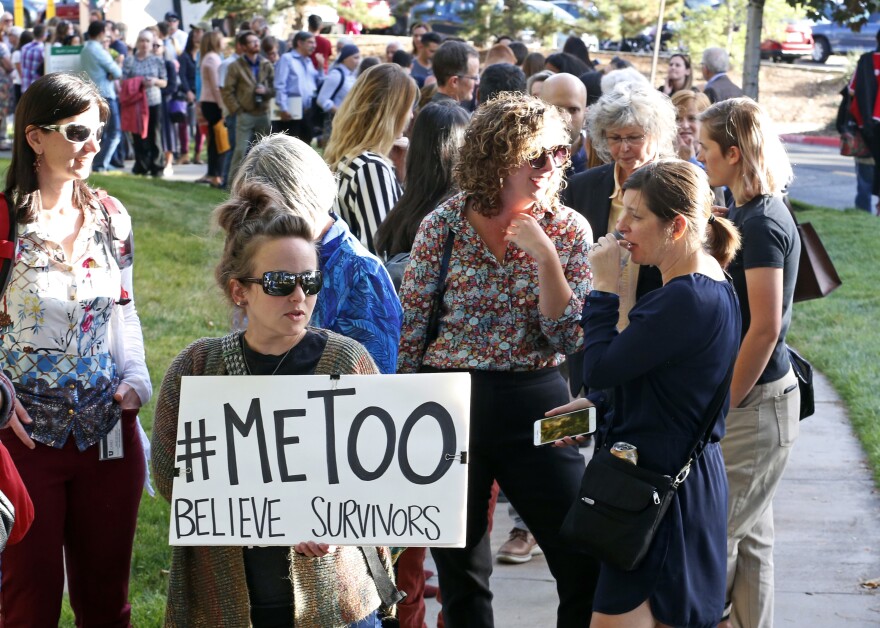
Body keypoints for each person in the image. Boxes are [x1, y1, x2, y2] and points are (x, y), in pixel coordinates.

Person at [151, 181, 395, 627]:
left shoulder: (348, 361)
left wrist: (334, 524)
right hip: (229, 601)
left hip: (335, 602)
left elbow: (380, 476)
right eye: (281, 282)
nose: (299, 296)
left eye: (310, 280)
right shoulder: (197, 368)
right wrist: (278, 520)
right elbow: (171, 478)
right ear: (240, 290)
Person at [397, 92, 599, 627]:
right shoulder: (444, 224)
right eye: (536, 156)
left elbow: (567, 333)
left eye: (559, 153)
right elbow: (413, 326)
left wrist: (546, 258)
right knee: (462, 572)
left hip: (536, 394)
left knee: (581, 557)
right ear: (497, 156)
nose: (551, 167)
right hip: (448, 401)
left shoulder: (568, 227)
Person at [552, 159, 742, 628]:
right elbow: (663, 385)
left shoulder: (685, 297)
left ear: (676, 225)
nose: (621, 226)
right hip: (667, 484)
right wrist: (594, 408)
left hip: (658, 495)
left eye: (636, 215)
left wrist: (602, 289)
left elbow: (600, 368)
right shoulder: (706, 284)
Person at [0, 72, 151, 626]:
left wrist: (136, 377)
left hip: (107, 436)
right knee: (27, 604)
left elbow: (123, 309)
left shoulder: (112, 218)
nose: (94, 144)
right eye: (78, 131)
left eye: (98, 130)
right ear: (35, 137)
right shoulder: (3, 220)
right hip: (20, 440)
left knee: (108, 603)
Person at [698, 97, 801, 628]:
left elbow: (765, 328)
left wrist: (724, 404)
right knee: (753, 535)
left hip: (757, 403)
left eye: (707, 149)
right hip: (760, 399)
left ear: (734, 153)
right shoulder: (746, 210)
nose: (700, 157)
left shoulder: (761, 222)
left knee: (720, 537)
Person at [233, 133, 403, 375]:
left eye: (274, 217)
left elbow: (375, 391)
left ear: (306, 202)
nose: (266, 231)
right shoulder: (262, 253)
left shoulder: (362, 275)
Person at [564, 81, 677, 335]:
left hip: (654, 333)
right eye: (615, 138)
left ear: (656, 134)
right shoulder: (581, 188)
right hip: (592, 331)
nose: (624, 148)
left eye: (634, 137)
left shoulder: (679, 186)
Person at [324, 63, 418, 254]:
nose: (411, 115)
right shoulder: (370, 168)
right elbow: (382, 253)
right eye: (408, 108)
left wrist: (400, 172)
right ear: (393, 113)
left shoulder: (348, 159)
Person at [222, 30, 275, 185]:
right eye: (252, 42)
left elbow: (275, 88)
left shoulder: (266, 64)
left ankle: (263, 184)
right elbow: (227, 91)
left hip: (263, 113)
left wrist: (266, 92)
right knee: (240, 150)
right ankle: (232, 186)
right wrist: (237, 110)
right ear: (243, 47)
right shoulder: (235, 66)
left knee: (265, 151)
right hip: (244, 114)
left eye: (257, 41)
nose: (256, 44)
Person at [123, 28, 168, 177]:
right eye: (142, 40)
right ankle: (141, 165)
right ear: (137, 42)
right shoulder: (130, 60)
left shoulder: (157, 60)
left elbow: (165, 82)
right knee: (138, 135)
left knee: (154, 134)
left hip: (153, 101)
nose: (144, 44)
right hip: (136, 102)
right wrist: (139, 82)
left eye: (147, 41)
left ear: (151, 44)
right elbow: (124, 80)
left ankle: (157, 166)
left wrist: (154, 81)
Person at [81, 20, 123, 172]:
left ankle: (101, 162)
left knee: (101, 133)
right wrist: (116, 65)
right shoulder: (98, 50)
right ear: (101, 33)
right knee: (115, 132)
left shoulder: (85, 48)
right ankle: (101, 164)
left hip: (92, 94)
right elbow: (117, 72)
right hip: (106, 94)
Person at [274, 30, 323, 143]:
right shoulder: (287, 58)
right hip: (290, 110)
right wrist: (283, 107)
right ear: (300, 43)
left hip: (307, 111)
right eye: (310, 42)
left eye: (314, 43)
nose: (314, 46)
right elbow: (280, 84)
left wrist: (320, 67)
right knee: (289, 146)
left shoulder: (309, 61)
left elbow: (317, 83)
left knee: (305, 144)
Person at [850, 29, 880, 212]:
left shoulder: (865, 61)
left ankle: (863, 211)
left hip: (866, 128)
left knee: (865, 174)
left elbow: (852, 91)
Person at [540, 72, 588, 176]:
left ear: (585, 114)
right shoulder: (522, 162)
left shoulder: (602, 161)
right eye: (556, 109)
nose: (564, 118)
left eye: (573, 110)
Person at [198, 29, 225, 188]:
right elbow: (216, 86)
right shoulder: (213, 59)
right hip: (213, 103)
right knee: (218, 140)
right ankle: (216, 174)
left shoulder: (209, 58)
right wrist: (223, 106)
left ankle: (214, 172)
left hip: (209, 102)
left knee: (214, 140)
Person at [177, 27, 203, 166]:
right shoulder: (184, 56)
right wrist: (188, 91)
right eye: (196, 37)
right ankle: (185, 153)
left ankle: (198, 154)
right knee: (184, 125)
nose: (198, 40)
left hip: (201, 93)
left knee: (200, 125)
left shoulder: (203, 55)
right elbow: (182, 75)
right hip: (187, 94)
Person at [430, 40, 480, 106]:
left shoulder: (430, 109)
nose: (477, 82)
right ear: (454, 81)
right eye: (474, 77)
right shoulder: (450, 115)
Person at [672, 89, 711, 164]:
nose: (685, 125)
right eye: (677, 119)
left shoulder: (715, 156)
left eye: (692, 118)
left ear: (705, 122)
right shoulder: (660, 158)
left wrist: (691, 161)